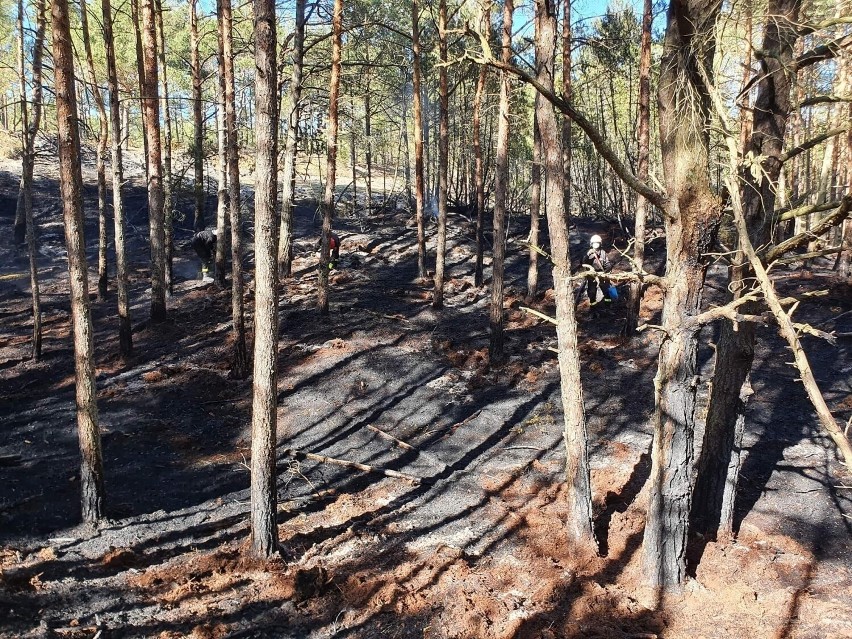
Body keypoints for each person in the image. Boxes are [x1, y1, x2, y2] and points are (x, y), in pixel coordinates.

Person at [583, 234, 615, 315]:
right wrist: (587, 256)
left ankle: (608, 306)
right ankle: (593, 307)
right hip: (591, 275)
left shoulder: (603, 253)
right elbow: (583, 262)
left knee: (606, 290)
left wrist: (607, 270)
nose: (596, 245)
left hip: (601, 274)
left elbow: (607, 263)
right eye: (594, 243)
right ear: (591, 244)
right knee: (592, 292)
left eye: (597, 243)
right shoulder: (588, 253)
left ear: (600, 244)